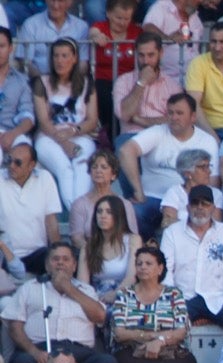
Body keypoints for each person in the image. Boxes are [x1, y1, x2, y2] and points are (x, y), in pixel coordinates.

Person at [4, 243, 116, 363]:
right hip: (40, 351)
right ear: (47, 265)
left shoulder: (86, 290)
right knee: (23, 362)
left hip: (79, 353)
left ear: (74, 265)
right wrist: (34, 352)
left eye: (66, 259)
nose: (60, 263)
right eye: (55, 259)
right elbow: (14, 327)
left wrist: (69, 289)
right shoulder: (29, 288)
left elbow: (100, 316)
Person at [118, 91, 221, 240]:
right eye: (170, 113)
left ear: (193, 117)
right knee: (134, 213)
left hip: (188, 200)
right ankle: (149, 248)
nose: (174, 117)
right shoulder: (157, 132)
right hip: (152, 198)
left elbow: (213, 181)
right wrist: (139, 192)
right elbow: (125, 150)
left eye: (179, 113)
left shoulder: (207, 141)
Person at [161, 185, 223, 333]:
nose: (200, 207)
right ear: (187, 207)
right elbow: (165, 270)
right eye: (195, 203)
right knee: (165, 320)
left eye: (205, 204)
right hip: (183, 298)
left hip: (218, 299)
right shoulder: (172, 233)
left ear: (213, 208)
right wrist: (171, 300)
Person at [31, 38, 97, 210]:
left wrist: (74, 132)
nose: (59, 60)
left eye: (64, 56)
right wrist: (64, 142)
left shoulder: (86, 83)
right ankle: (78, 214)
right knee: (65, 169)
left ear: (74, 58)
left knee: (82, 168)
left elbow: (91, 120)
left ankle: (78, 215)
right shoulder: (42, 83)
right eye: (56, 56)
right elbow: (44, 121)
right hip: (48, 137)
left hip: (79, 134)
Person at [111, 33, 183, 154]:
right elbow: (124, 114)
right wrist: (141, 82)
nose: (146, 61)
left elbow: (175, 120)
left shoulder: (173, 85)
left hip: (162, 136)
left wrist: (140, 120)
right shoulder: (123, 81)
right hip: (131, 136)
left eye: (151, 55)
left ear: (161, 53)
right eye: (141, 55)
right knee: (123, 150)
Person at [0, 144, 61, 276]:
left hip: (38, 253)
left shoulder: (44, 178)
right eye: (9, 160)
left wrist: (58, 252)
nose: (11, 166)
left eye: (18, 163)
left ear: (31, 165)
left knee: (60, 259)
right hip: (5, 255)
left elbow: (51, 222)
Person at [88, 0, 139, 141]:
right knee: (104, 96)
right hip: (103, 80)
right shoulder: (100, 27)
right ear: (108, 14)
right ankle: (108, 138)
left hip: (127, 81)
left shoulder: (137, 32)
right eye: (119, 18)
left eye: (126, 19)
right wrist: (96, 37)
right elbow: (93, 32)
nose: (123, 22)